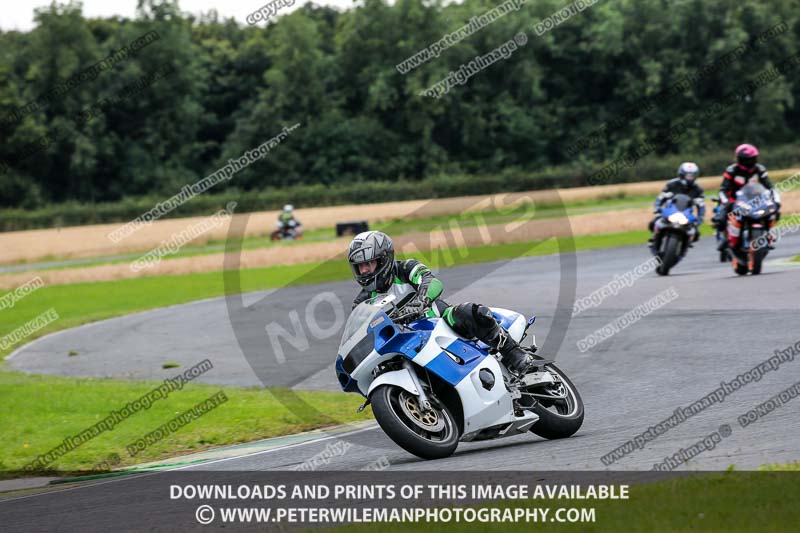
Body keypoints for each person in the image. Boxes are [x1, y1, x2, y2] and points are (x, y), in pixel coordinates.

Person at [347, 231, 533, 374]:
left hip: (440, 322)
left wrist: (420, 301)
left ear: (383, 260)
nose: (364, 271)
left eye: (368, 264)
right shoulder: (362, 301)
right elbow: (360, 332)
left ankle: (512, 352)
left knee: (469, 311)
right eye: (359, 266)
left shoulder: (405, 269)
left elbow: (432, 282)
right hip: (405, 342)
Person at [714, 144, 775, 250]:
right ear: (739, 159)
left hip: (755, 199)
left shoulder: (760, 169)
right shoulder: (732, 170)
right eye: (746, 160)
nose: (749, 162)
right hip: (735, 200)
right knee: (721, 217)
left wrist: (774, 198)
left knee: (772, 211)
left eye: (752, 159)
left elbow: (769, 186)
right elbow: (723, 189)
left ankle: (768, 234)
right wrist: (726, 200)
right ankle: (726, 238)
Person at [648, 162, 705, 242]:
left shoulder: (698, 189)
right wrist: (657, 208)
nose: (690, 178)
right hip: (671, 210)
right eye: (688, 175)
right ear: (682, 175)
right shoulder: (672, 184)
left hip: (686, 214)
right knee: (653, 222)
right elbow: (661, 197)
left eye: (692, 176)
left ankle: (685, 244)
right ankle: (655, 238)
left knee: (696, 234)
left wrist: (700, 218)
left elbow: (701, 205)